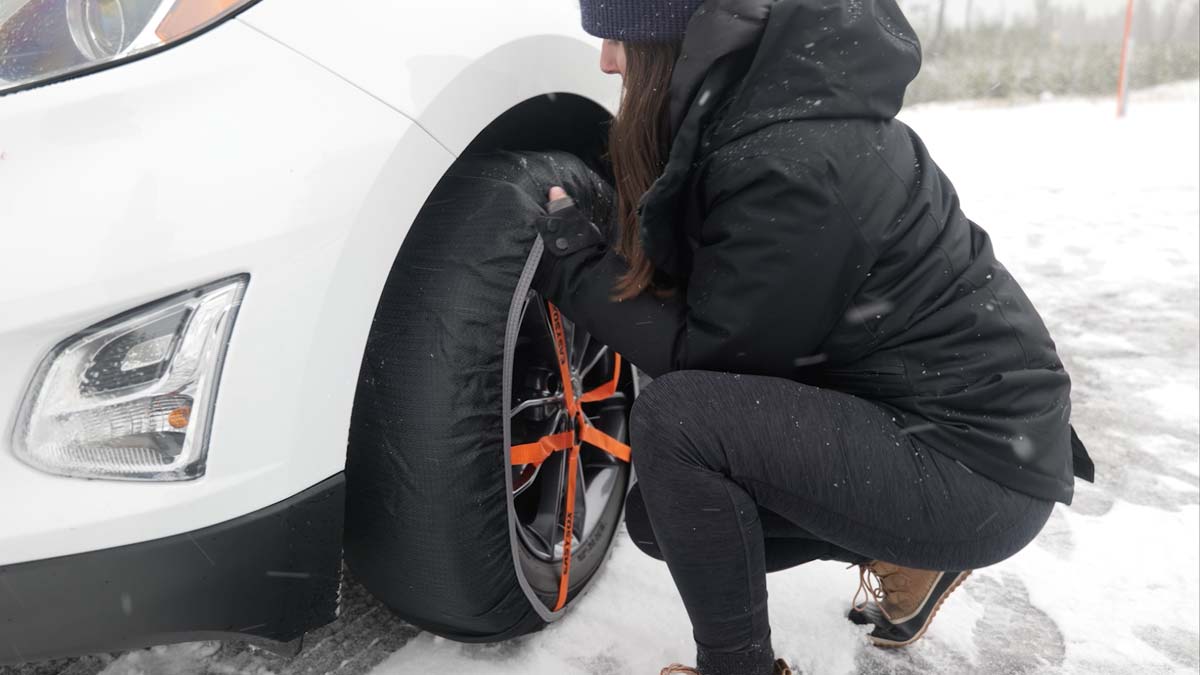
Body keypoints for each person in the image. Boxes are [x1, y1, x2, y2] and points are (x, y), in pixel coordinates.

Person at [529, 1, 1096, 674]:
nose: (607, 60)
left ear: (675, 37)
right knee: (664, 517)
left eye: (620, 36)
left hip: (979, 463)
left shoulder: (790, 158)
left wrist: (579, 269)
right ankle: (904, 550)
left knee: (679, 429)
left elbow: (713, 358)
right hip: (962, 435)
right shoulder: (777, 115)